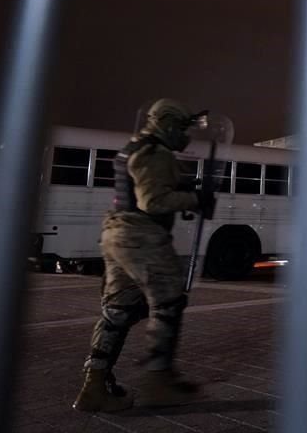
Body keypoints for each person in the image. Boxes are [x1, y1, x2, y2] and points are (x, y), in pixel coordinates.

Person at [73, 99, 215, 412]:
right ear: (165, 123)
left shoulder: (134, 146)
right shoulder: (156, 152)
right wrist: (195, 198)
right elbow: (153, 201)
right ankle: (159, 382)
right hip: (142, 235)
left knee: (118, 312)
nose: (185, 135)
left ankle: (94, 385)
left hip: (117, 233)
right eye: (180, 127)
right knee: (169, 303)